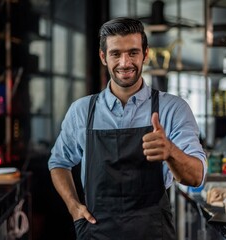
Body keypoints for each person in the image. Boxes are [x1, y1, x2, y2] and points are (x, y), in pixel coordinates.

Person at [48, 17, 207, 239]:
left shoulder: (173, 109)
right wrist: (74, 207)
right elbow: (58, 163)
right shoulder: (82, 111)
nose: (125, 62)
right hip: (96, 232)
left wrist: (171, 152)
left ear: (145, 54)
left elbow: (196, 177)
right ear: (103, 57)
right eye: (116, 54)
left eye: (133, 52)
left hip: (153, 232)